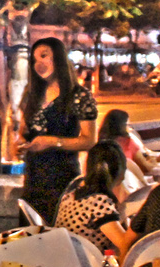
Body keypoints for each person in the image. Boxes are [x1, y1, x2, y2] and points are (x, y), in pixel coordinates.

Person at [16, 36, 98, 227]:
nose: (39, 64)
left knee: (59, 237)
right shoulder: (32, 94)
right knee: (30, 237)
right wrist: (21, 143)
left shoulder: (79, 96)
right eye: (34, 59)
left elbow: (89, 140)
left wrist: (52, 141)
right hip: (33, 179)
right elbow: (23, 131)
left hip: (63, 179)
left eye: (44, 56)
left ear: (59, 58)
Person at [53, 140, 136, 256]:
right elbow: (124, 243)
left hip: (64, 256)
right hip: (84, 265)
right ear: (118, 170)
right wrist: (140, 223)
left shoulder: (76, 185)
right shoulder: (99, 202)